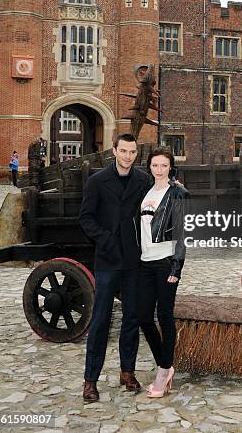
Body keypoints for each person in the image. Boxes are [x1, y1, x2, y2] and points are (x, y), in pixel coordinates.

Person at [79, 133, 152, 403]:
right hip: (108, 260)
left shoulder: (143, 181)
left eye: (133, 152)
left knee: (132, 318)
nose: (128, 157)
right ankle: (90, 381)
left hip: (134, 261)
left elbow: (154, 210)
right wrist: (106, 239)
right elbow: (86, 218)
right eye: (123, 151)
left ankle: (127, 371)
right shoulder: (98, 181)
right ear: (114, 151)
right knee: (100, 321)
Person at [138, 146, 189, 398]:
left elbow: (181, 233)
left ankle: (163, 371)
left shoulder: (176, 193)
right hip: (145, 262)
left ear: (171, 168)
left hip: (165, 262)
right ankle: (165, 364)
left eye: (164, 166)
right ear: (149, 166)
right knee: (143, 317)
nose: (159, 170)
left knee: (164, 315)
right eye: (155, 165)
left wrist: (176, 267)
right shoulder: (146, 191)